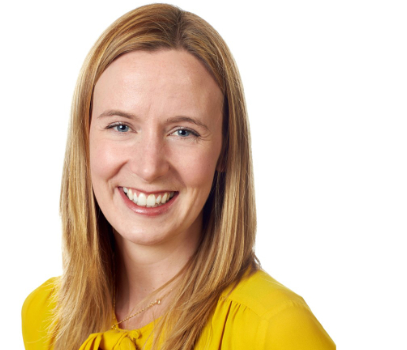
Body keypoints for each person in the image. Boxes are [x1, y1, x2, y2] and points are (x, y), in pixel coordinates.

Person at [21, 4, 335, 350]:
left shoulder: (276, 330)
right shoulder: (45, 313)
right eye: (121, 126)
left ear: (226, 150)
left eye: (183, 132)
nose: (149, 166)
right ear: (86, 138)